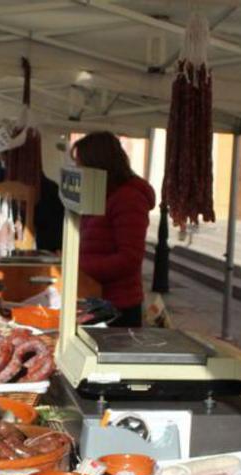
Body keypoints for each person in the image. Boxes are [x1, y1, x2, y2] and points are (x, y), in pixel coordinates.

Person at [72, 131, 156, 328]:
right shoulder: (100, 194)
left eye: (81, 163)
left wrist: (82, 267)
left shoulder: (128, 199)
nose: (78, 169)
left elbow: (129, 257)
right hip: (95, 298)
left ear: (97, 164)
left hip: (118, 306)